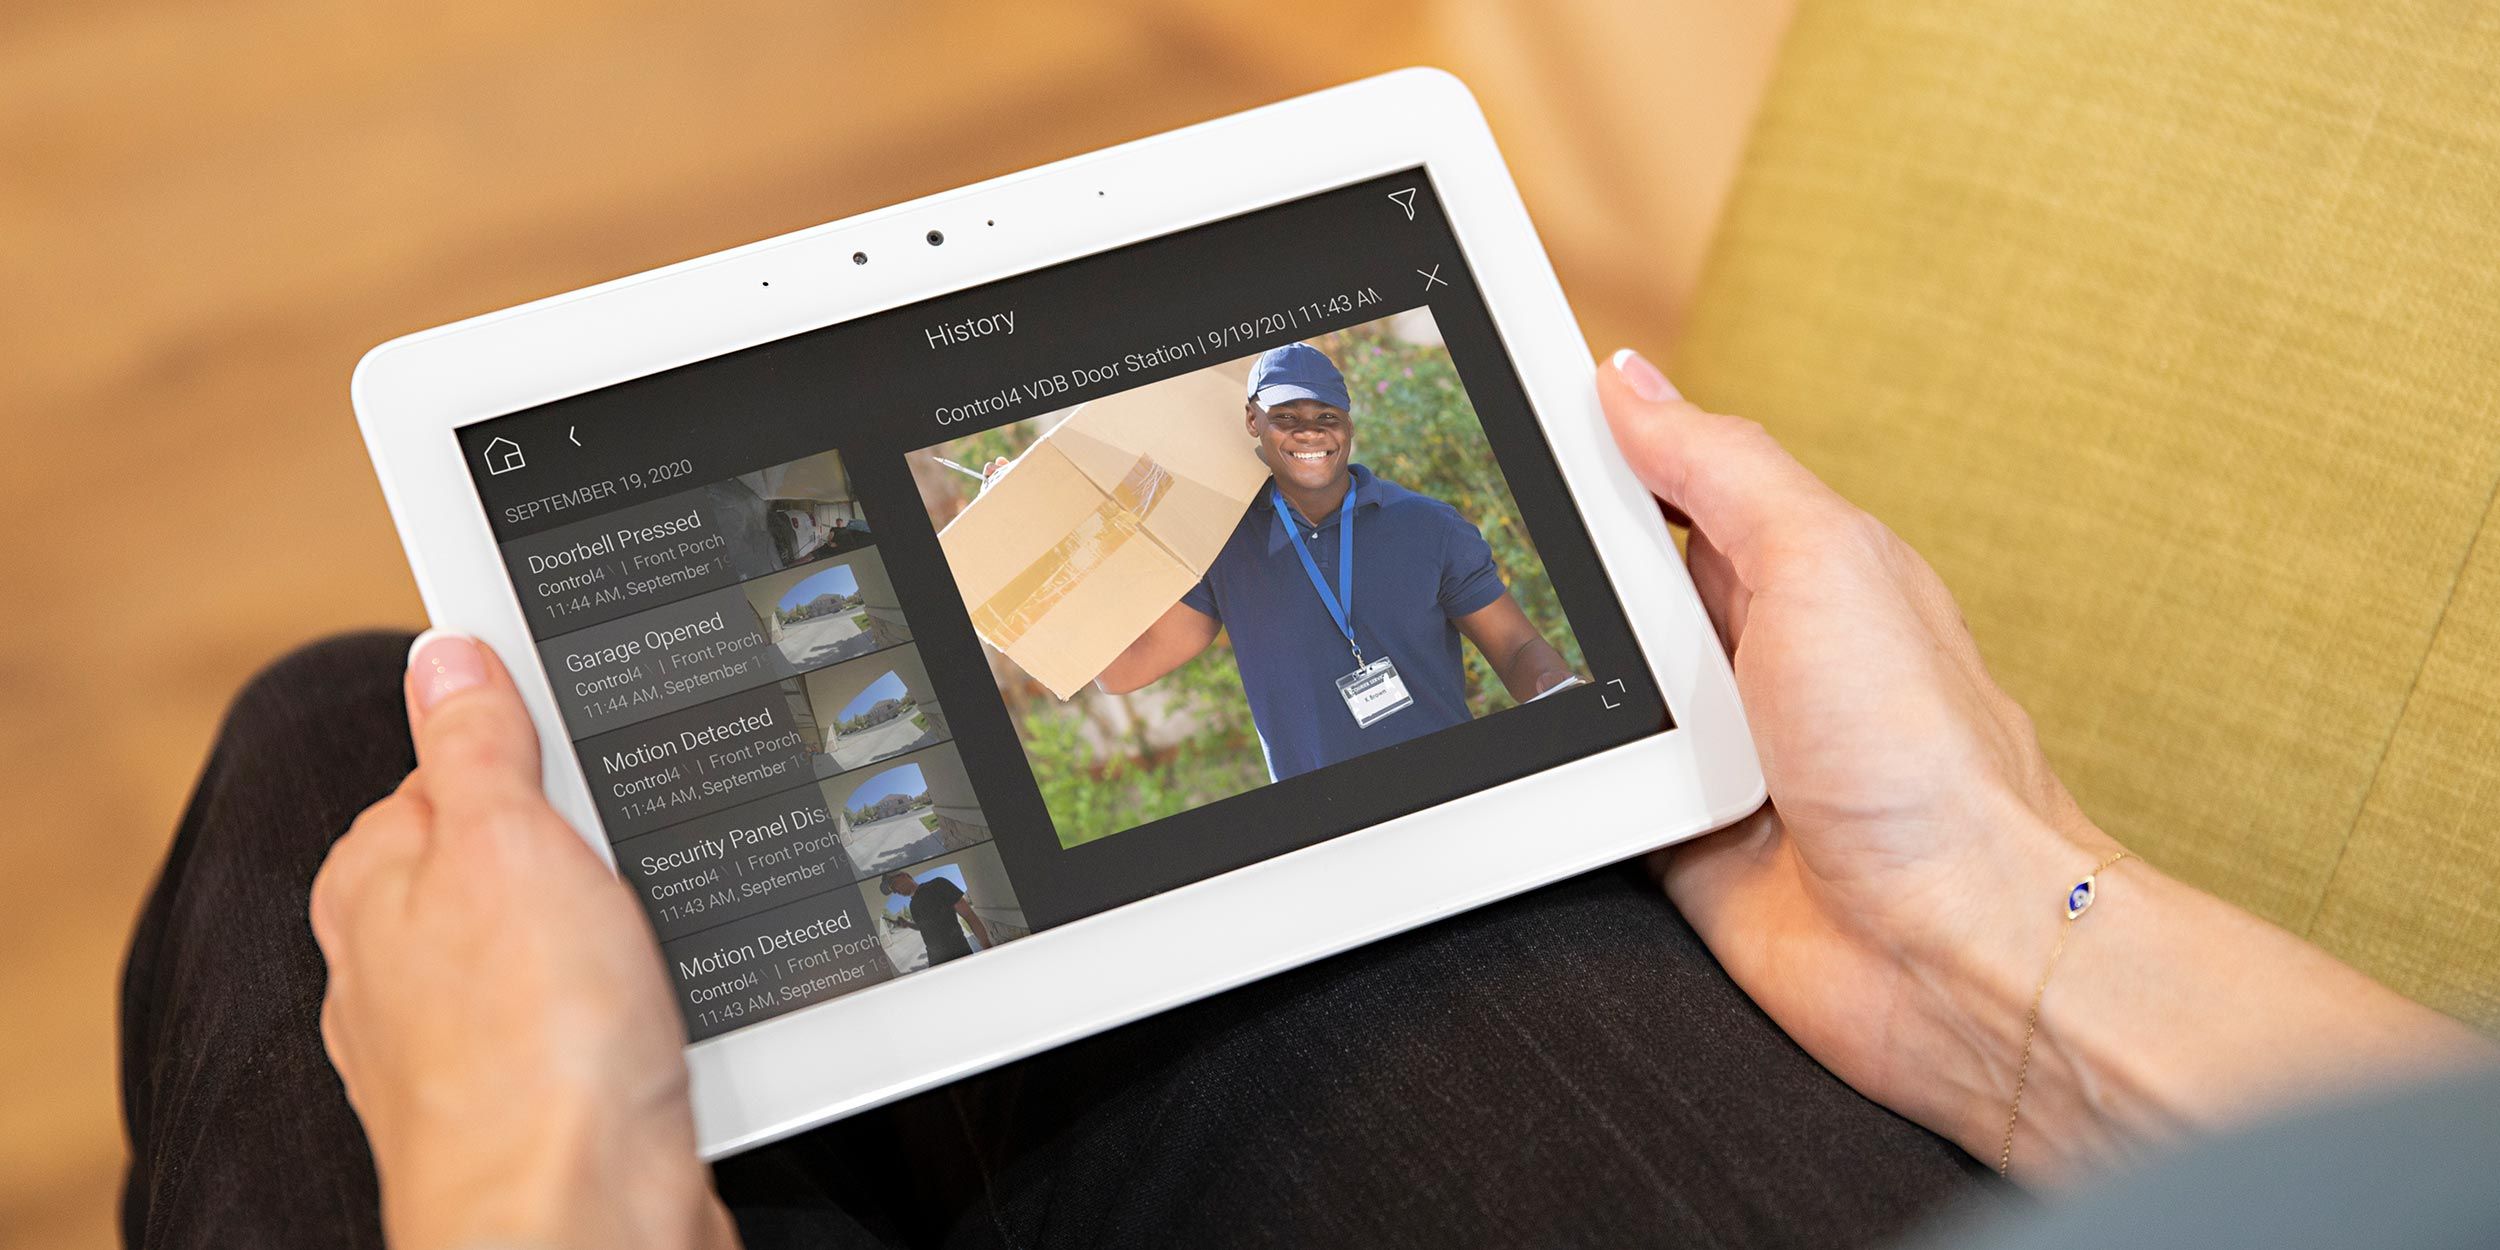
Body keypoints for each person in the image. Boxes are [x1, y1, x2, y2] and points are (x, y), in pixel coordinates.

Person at [120, 350, 2494, 1250]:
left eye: (1318, 423)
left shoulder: (1422, 531)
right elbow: (1105, 633)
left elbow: (1487, 633)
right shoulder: (1242, 531)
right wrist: (1985, 921)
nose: (1308, 447)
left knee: (348, 756)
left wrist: (551, 1180)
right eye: (1286, 428)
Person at [1080, 342, 1575, 779]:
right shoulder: (1224, 546)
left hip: (1455, 788)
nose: (1310, 434)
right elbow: (1120, 672)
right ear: (1253, 421)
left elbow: (1515, 647)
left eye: (1326, 418)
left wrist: (1558, 696)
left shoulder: (1429, 527)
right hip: (1326, 833)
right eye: (1287, 418)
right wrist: (1029, 533)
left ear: (1348, 424)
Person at [880, 868, 991, 967]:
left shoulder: (938, 884)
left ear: (904, 875)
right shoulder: (912, 906)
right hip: (934, 961)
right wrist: (907, 924)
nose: (895, 890)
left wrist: (986, 945)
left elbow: (968, 915)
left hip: (959, 954)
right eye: (892, 890)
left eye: (893, 884)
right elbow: (923, 927)